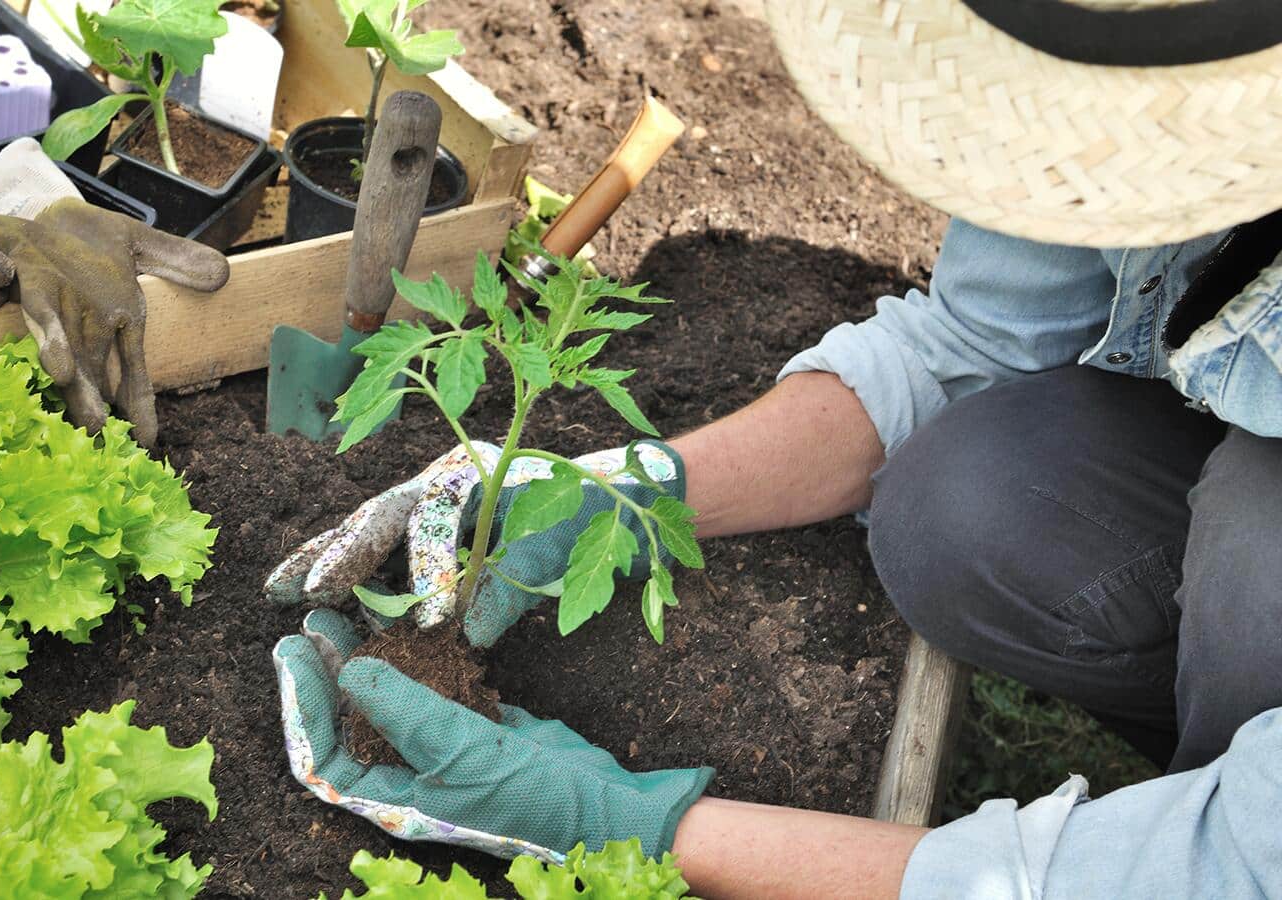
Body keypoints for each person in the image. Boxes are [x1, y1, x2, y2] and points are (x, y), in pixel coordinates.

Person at [269, 0, 1282, 896]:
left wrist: (634, 828)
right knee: (962, 500)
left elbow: (1232, 868)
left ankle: (1218, 761)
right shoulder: (1095, 51)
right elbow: (973, 347)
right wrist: (616, 490)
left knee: (1262, 572)